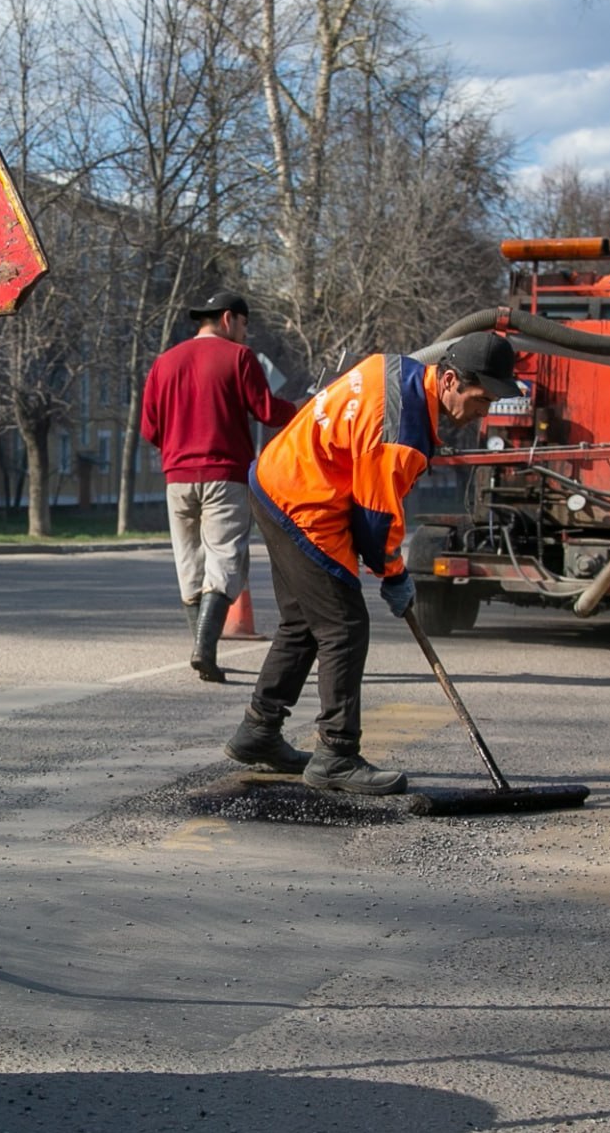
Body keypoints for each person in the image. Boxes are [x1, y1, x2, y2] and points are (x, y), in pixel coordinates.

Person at [224, 330, 524, 792]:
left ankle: (258, 732)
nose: (483, 412)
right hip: (304, 500)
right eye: (481, 399)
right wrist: (396, 575)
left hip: (277, 478)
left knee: (304, 621)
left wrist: (387, 567)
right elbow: (375, 523)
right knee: (343, 627)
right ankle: (336, 754)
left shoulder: (399, 368)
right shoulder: (403, 435)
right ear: (449, 380)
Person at [141, 290, 297, 682]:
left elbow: (150, 429)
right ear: (229, 319)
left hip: (177, 479)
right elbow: (267, 411)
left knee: (189, 562)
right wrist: (301, 409)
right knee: (226, 558)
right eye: (244, 324)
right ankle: (205, 649)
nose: (245, 333)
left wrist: (179, 446)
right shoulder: (239, 357)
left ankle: (201, 648)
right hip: (225, 476)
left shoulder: (163, 363)